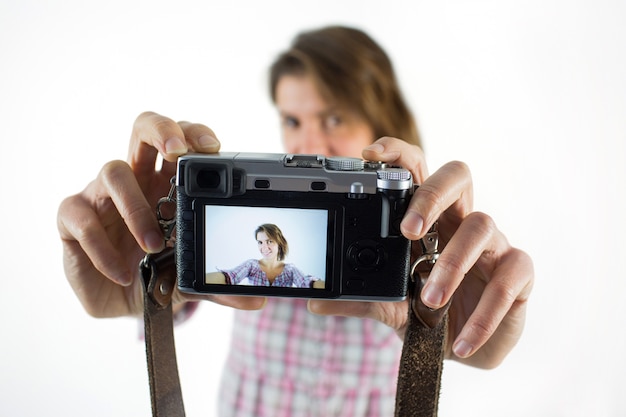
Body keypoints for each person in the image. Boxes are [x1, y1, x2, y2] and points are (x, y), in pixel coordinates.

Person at [57, 26, 534, 416]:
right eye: (292, 119)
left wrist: (439, 324)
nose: (309, 145)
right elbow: (188, 291)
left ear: (379, 117)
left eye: (333, 119)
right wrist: (144, 282)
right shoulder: (246, 246)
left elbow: (460, 330)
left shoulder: (426, 250)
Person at [207, 223, 321, 288]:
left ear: (279, 243)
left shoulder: (290, 270)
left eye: (269, 241)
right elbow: (230, 277)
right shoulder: (251, 265)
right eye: (260, 242)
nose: (264, 247)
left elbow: (307, 284)